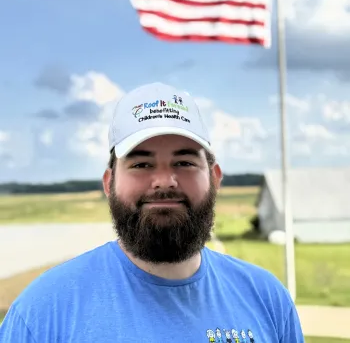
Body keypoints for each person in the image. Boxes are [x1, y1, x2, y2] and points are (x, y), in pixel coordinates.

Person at [0, 82, 304, 342]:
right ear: (110, 183)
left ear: (215, 178)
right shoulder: (43, 312)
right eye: (141, 164)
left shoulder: (266, 299)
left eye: (184, 162)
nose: (164, 181)